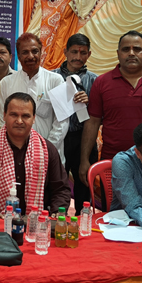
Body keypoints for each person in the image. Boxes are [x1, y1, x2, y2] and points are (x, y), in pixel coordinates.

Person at [79, 30, 142, 187]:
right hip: (113, 163)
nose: (131, 53)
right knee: (112, 203)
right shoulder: (101, 83)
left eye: (137, 49)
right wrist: (84, 159)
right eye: (126, 49)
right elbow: (92, 122)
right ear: (118, 54)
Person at [0, 92, 71, 218]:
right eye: (14, 115)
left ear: (34, 118)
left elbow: (60, 189)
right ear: (4, 115)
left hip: (38, 223)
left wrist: (56, 213)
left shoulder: (47, 150)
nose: (19, 121)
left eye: (25, 116)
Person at [0, 32, 68, 163]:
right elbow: (3, 119)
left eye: (35, 51)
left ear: (41, 53)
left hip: (49, 154)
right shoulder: (6, 83)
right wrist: (13, 146)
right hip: (15, 154)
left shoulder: (55, 81)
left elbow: (62, 121)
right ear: (18, 56)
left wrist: (46, 148)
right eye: (25, 52)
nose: (30, 56)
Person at [53, 33, 98, 211]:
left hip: (84, 138)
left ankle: (83, 220)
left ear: (89, 54)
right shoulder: (52, 77)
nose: (78, 57)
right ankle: (55, 218)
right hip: (58, 137)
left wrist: (89, 103)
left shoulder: (95, 81)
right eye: (74, 52)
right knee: (56, 183)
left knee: (84, 185)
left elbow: (100, 117)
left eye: (83, 52)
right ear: (65, 52)